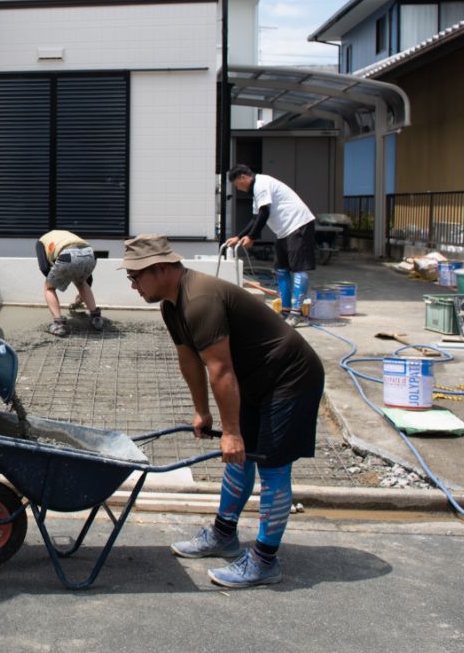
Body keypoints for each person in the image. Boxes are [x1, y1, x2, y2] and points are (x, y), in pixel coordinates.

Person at [122, 233, 324, 588]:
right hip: (255, 380)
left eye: (136, 277)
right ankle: (224, 535)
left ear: (160, 268)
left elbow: (220, 370)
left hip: (290, 377)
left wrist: (231, 432)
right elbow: (188, 358)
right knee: (238, 458)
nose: (134, 285)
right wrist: (202, 412)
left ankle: (265, 560)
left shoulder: (200, 299)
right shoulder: (172, 305)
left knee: (272, 466)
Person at [224, 164, 317, 327]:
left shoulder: (261, 184)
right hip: (284, 231)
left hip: (298, 224)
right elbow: (255, 218)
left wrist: (252, 237)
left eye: (238, 185)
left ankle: (297, 313)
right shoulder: (256, 191)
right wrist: (239, 236)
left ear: (244, 178)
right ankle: (285, 311)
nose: (239, 189)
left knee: (298, 268)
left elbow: (264, 213)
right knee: (281, 269)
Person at [35, 230, 103, 336]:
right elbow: (88, 278)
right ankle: (96, 319)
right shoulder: (66, 235)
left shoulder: (41, 242)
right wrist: (81, 294)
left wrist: (55, 283)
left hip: (67, 255)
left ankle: (58, 325)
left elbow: (44, 268)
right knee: (81, 282)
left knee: (49, 288)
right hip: (90, 254)